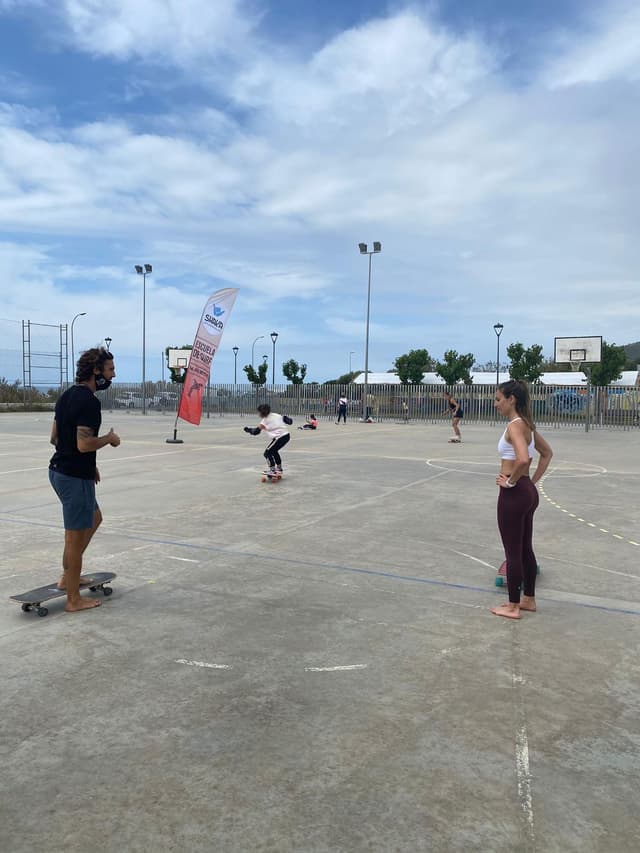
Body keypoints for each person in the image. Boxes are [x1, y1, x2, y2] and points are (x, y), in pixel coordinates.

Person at [49, 346, 121, 612]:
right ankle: (72, 598)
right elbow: (84, 444)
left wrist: (89, 466)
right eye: (110, 369)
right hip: (73, 477)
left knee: (95, 518)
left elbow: (55, 437)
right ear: (96, 371)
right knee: (74, 537)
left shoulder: (66, 396)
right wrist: (109, 440)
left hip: (61, 471)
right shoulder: (89, 402)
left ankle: (70, 576)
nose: (113, 375)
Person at [491, 380, 553, 619]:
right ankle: (528, 599)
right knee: (525, 548)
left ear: (511, 399)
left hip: (514, 493)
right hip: (526, 491)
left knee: (512, 551)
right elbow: (547, 454)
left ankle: (513, 605)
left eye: (498, 399)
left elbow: (523, 460)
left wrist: (511, 482)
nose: (496, 404)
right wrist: (530, 482)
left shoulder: (515, 426)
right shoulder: (527, 425)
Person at [244, 403, 291, 475]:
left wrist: (248, 430)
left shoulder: (264, 421)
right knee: (274, 451)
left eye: (259, 412)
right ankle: (279, 469)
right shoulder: (276, 415)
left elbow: (256, 432)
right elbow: (289, 421)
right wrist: (287, 419)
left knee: (267, 453)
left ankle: (272, 470)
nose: (258, 414)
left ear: (262, 412)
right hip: (286, 435)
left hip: (280, 437)